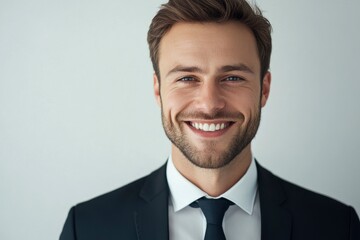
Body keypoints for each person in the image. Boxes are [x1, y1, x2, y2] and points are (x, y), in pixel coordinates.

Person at [60, 0, 360, 239]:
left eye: (232, 77)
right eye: (188, 77)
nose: (209, 104)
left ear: (264, 89)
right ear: (158, 90)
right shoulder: (86, 228)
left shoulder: (337, 226)